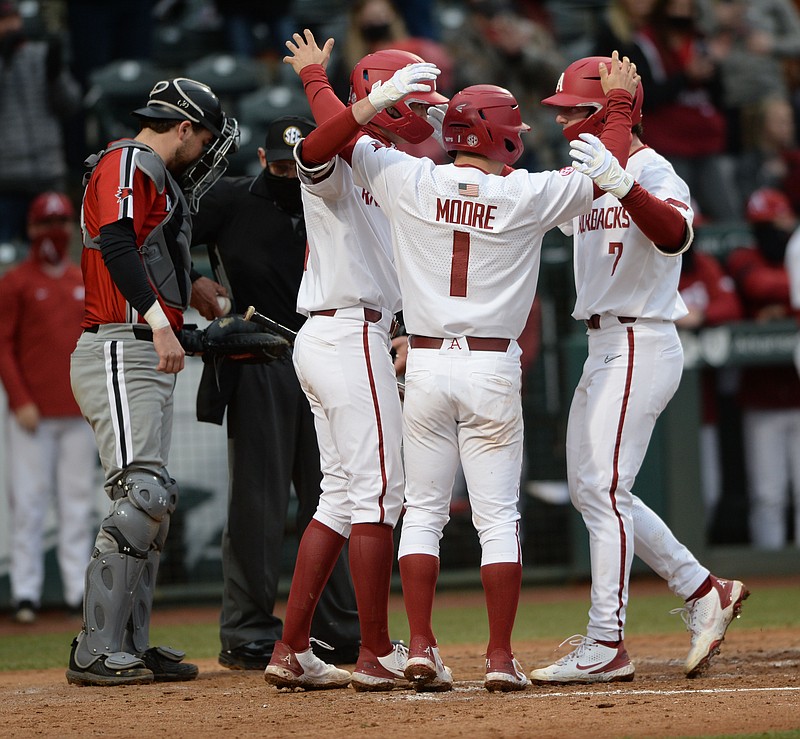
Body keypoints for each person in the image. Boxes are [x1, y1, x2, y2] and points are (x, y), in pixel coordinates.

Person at [288, 40, 639, 690]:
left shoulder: (404, 175)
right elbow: (607, 173)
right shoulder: (529, 193)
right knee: (497, 515)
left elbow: (332, 139)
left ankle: (419, 643)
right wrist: (617, 104)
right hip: (490, 367)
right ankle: (500, 658)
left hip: (421, 362)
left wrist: (324, 81)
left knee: (420, 510)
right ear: (503, 138)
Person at [528, 55, 748, 684]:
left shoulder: (653, 169)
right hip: (602, 343)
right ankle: (705, 590)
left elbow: (677, 236)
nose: (564, 120)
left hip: (641, 338)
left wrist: (624, 183)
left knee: (601, 491)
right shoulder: (584, 172)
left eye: (574, 109)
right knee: (594, 491)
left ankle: (607, 641)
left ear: (608, 110)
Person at [263, 35, 447, 692]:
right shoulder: (342, 155)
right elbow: (311, 148)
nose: (421, 108)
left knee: (340, 495)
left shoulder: (382, 159)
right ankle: (373, 650)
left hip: (349, 334)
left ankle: (290, 648)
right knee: (380, 491)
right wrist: (328, 82)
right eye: (411, 96)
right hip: (342, 330)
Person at [65, 77, 239, 686]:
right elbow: (115, 243)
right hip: (118, 342)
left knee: (153, 500)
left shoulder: (151, 175)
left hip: (136, 343)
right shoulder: (129, 158)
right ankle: (95, 648)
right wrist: (161, 321)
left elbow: (147, 246)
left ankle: (128, 645)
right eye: (205, 137)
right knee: (141, 496)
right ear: (183, 127)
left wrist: (190, 288)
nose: (206, 151)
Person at [190, 115, 361, 670]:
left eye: (299, 163)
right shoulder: (232, 200)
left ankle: (338, 629)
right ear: (263, 160)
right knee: (257, 504)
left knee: (332, 496)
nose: (292, 174)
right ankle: (247, 632)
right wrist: (191, 279)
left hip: (330, 355)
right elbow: (161, 237)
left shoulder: (336, 194)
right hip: (259, 357)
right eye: (281, 165)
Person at [0, 192, 97, 624]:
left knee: (77, 503)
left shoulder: (83, 276)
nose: (52, 234)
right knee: (30, 502)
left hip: (77, 413)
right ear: (31, 230)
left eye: (60, 225)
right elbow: (3, 346)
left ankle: (77, 589)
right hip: (32, 417)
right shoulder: (16, 282)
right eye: (45, 225)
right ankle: (25, 593)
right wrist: (19, 399)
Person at [727, 187, 800, 549]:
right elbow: (755, 285)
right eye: (764, 226)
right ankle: (771, 572)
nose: (772, 232)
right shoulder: (743, 255)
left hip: (797, 395)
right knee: (768, 495)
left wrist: (782, 310)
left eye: (776, 223)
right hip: (761, 398)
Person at [0, 0, 82, 244]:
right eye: (4, 20)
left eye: (14, 18)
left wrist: (56, 74)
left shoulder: (39, 54)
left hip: (47, 174)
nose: (12, 25)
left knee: (52, 259)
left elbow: (70, 105)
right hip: (5, 183)